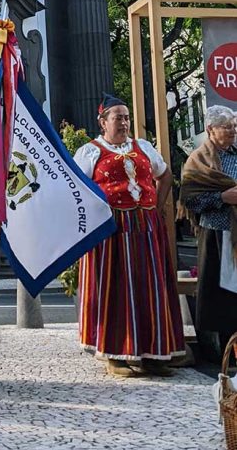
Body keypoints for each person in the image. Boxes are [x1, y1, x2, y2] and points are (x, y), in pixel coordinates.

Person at [74, 94, 184, 377]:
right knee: (115, 289)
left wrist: (156, 208)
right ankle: (114, 354)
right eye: (117, 117)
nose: (124, 122)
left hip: (146, 227)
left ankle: (151, 353)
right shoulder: (90, 151)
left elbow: (166, 175)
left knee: (150, 287)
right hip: (112, 230)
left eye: (126, 117)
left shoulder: (143, 147)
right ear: (102, 122)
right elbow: (77, 189)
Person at [180, 105, 237, 360]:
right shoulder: (198, 161)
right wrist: (221, 197)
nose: (232, 130)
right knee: (224, 296)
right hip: (218, 234)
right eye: (227, 126)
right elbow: (190, 199)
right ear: (210, 130)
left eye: (234, 126)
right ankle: (227, 353)